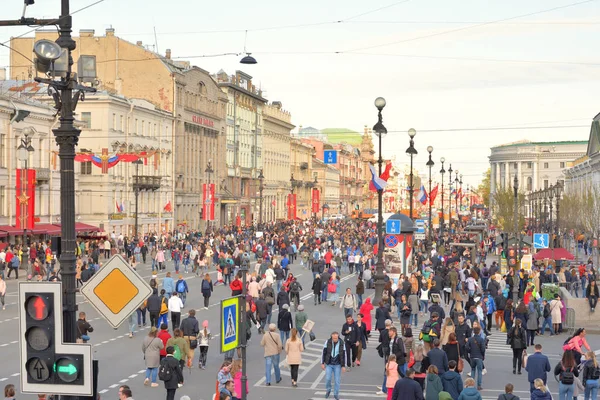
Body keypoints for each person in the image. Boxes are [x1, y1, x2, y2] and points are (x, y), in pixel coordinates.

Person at [321, 331, 347, 400]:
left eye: (336, 338)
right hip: (329, 364)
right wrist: (322, 363)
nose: (335, 339)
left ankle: (336, 394)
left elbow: (344, 355)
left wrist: (344, 366)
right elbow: (323, 352)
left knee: (337, 380)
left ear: (338, 337)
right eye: (334, 338)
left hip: (337, 364)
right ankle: (328, 389)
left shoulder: (342, 343)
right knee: (328, 379)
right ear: (331, 337)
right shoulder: (328, 342)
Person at [465, 326, 485, 390]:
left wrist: (470, 351)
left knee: (473, 370)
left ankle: (471, 385)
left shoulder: (470, 339)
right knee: (479, 371)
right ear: (479, 332)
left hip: (472, 356)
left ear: (473, 332)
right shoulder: (481, 339)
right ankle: (479, 386)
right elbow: (483, 349)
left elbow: (466, 347)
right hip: (479, 357)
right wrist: (482, 355)